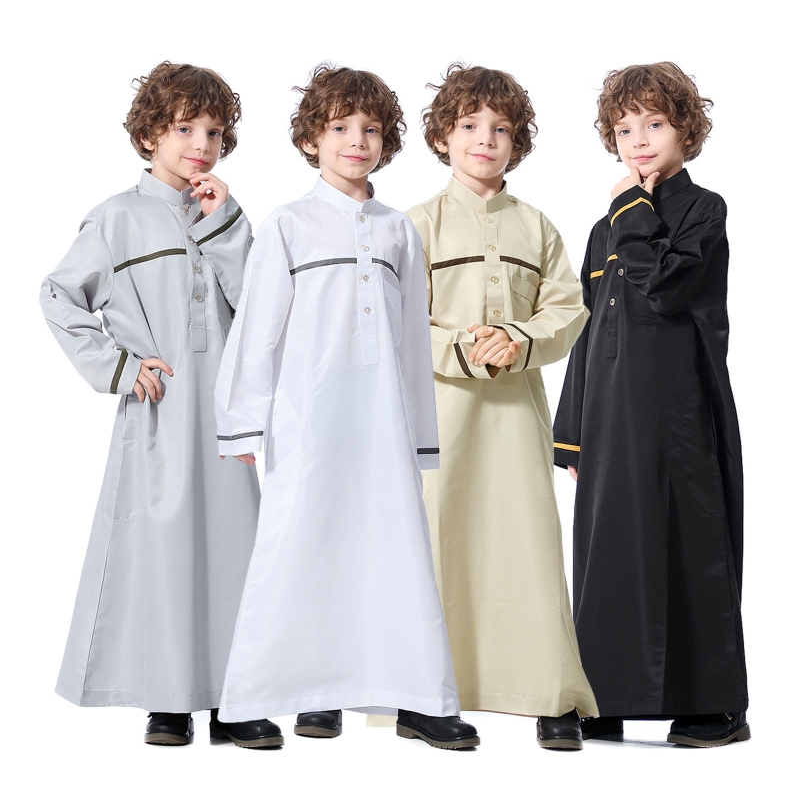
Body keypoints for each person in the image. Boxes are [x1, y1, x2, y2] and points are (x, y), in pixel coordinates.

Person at [213, 64, 479, 751]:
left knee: (395, 554)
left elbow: (411, 341)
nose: (356, 141)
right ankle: (248, 702)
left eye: (370, 129)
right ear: (311, 139)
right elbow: (257, 330)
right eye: (339, 128)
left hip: (383, 426)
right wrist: (241, 423)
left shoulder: (397, 232)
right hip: (307, 421)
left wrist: (419, 436)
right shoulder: (288, 225)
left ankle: (418, 699)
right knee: (293, 551)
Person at [40, 62, 265, 746]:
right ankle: (167, 701)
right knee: (164, 550)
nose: (201, 144)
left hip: (224, 411)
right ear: (149, 135)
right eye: (185, 128)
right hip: (161, 412)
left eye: (214, 132)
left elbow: (259, 305)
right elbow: (59, 295)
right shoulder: (117, 218)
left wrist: (225, 221)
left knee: (235, 549)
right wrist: (120, 366)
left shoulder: (226, 215)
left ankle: (234, 699)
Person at [553, 62, 749, 748]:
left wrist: (631, 211)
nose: (638, 140)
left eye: (654, 124)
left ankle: (714, 706)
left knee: (689, 546)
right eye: (624, 128)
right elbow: (587, 330)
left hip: (679, 411)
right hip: (609, 418)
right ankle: (605, 695)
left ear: (685, 130)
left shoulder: (703, 211)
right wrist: (571, 432)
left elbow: (665, 288)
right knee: (608, 553)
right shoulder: (603, 229)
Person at [406, 63, 598, 750]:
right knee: (438, 540)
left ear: (517, 143)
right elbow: (397, 322)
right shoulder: (415, 226)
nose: (484, 139)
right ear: (441, 137)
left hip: (517, 413)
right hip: (441, 412)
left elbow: (568, 309)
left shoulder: (537, 226)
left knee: (528, 543)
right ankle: (425, 694)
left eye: (501, 129)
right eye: (469, 126)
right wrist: (463, 346)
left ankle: (550, 694)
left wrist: (517, 339)